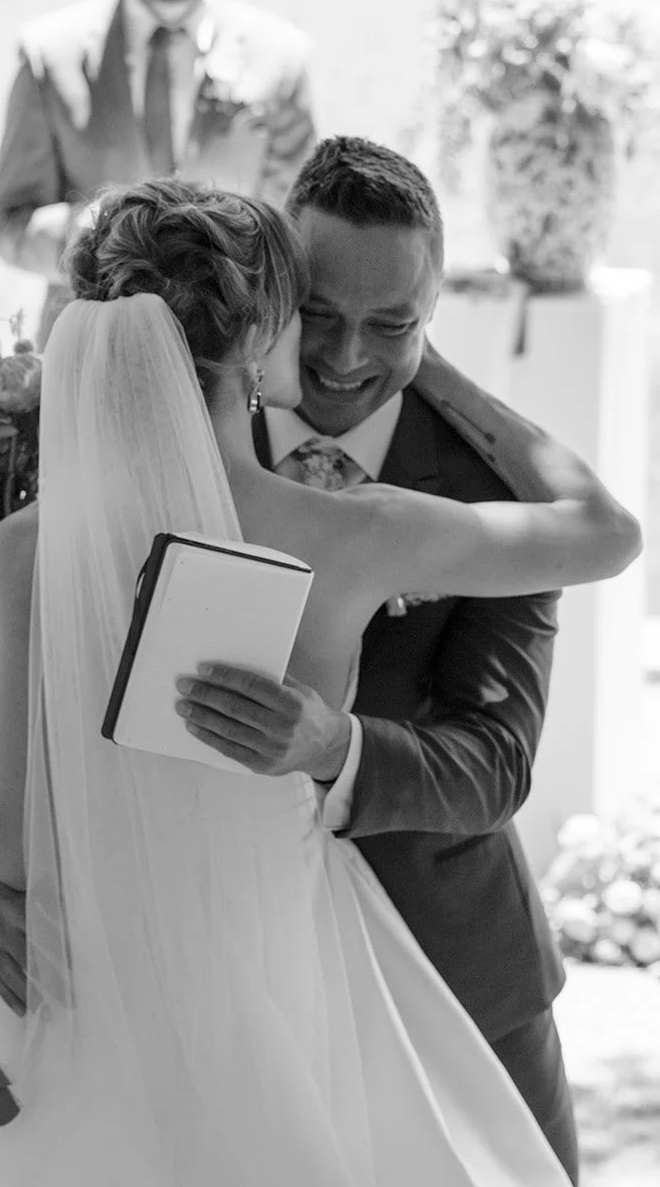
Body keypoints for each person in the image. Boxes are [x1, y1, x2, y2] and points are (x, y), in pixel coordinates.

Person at [0, 179, 640, 1186]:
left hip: (89, 1006)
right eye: (308, 315)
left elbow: (11, 853)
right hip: (277, 982)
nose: (338, 352)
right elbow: (604, 533)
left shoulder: (27, 545)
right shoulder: (358, 533)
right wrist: (429, 362)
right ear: (259, 339)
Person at [209, 135, 577, 1178]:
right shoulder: (187, 434)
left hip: (452, 965)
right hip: (235, 982)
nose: (342, 357)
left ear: (432, 315)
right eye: (318, 313)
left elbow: (496, 758)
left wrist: (337, 745)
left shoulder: (493, 495)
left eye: (391, 324)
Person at [0, 0, 317, 347]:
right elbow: (8, 224)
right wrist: (83, 235)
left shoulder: (283, 61)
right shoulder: (51, 56)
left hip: (227, 352)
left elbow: (293, 238)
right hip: (85, 350)